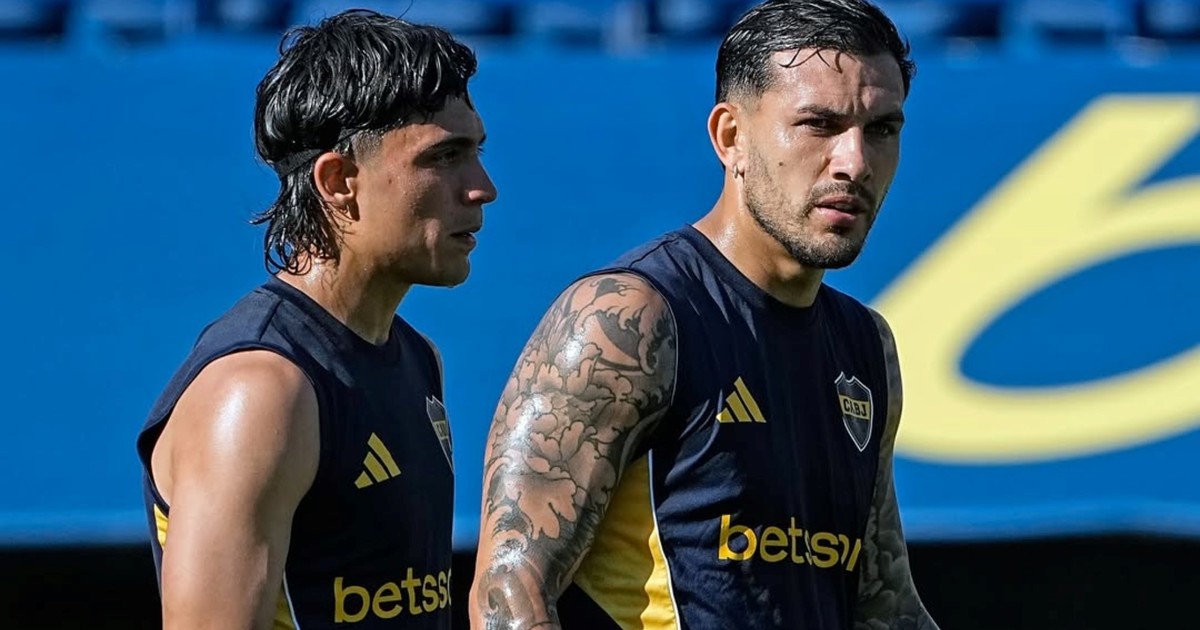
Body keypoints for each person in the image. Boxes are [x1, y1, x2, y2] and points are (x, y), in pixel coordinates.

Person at [469, 0, 937, 628]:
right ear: (730, 137)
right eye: (819, 125)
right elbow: (508, 593)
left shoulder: (866, 346)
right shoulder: (627, 320)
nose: (855, 162)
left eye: (882, 130)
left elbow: (885, 607)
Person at [134, 10, 496, 629]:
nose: (482, 187)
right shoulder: (260, 392)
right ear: (339, 180)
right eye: (444, 157)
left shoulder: (419, 360)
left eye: (477, 152)